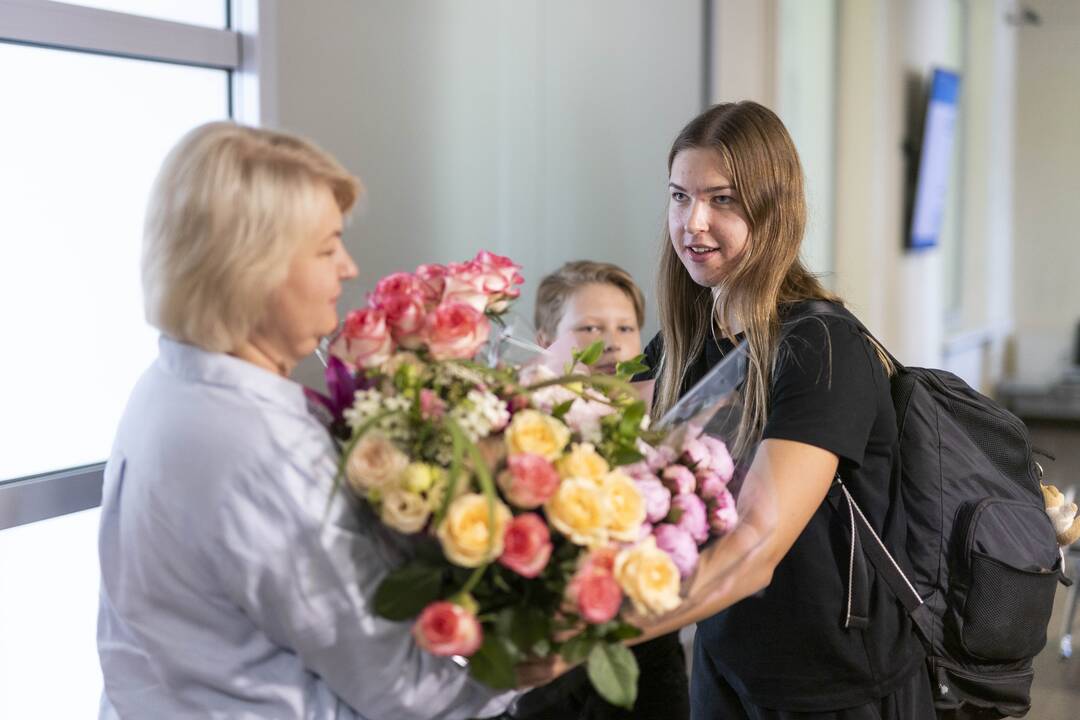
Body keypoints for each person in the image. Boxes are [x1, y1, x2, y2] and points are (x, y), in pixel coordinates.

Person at [95, 122, 530, 719]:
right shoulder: (257, 445)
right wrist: (548, 652)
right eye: (327, 249)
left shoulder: (171, 385)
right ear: (252, 267)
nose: (348, 268)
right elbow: (402, 691)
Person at [630, 102, 935, 719]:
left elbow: (754, 546)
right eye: (679, 196)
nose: (694, 222)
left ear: (775, 210)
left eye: (722, 200)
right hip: (727, 659)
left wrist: (598, 629)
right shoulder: (691, 338)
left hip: (834, 685)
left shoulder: (820, 346)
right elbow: (605, 446)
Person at [513, 261, 691, 720]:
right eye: (589, 327)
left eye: (626, 328)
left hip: (645, 658)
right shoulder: (513, 431)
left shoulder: (663, 431)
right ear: (544, 341)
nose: (611, 342)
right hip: (546, 663)